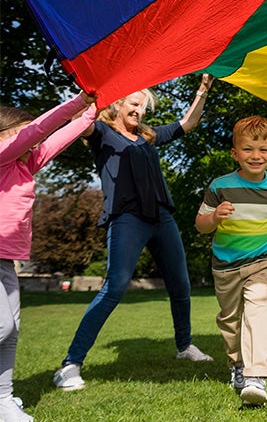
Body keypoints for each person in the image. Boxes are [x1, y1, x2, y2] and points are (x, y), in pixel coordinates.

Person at [53, 75, 216, 391]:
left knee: (181, 284)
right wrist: (89, 93)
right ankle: (70, 364)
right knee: (115, 287)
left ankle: (185, 346)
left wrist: (203, 89)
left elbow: (187, 123)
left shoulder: (147, 136)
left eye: (143, 107)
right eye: (134, 104)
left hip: (161, 217)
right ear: (117, 103)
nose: (139, 111)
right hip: (127, 218)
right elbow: (78, 123)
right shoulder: (101, 133)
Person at [0, 93, 97, 421]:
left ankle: (3, 400)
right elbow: (39, 130)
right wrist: (78, 101)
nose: (31, 142)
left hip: (6, 261)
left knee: (12, 330)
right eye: (21, 134)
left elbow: (55, 140)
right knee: (1, 326)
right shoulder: (1, 158)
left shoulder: (24, 165)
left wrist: (90, 112)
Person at [195, 115, 267, 406]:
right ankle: (237, 365)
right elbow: (200, 224)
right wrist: (215, 217)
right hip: (226, 264)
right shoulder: (220, 186)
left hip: (263, 260)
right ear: (235, 153)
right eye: (248, 149)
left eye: (263, 150)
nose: (256, 156)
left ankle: (256, 376)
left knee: (259, 307)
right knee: (230, 318)